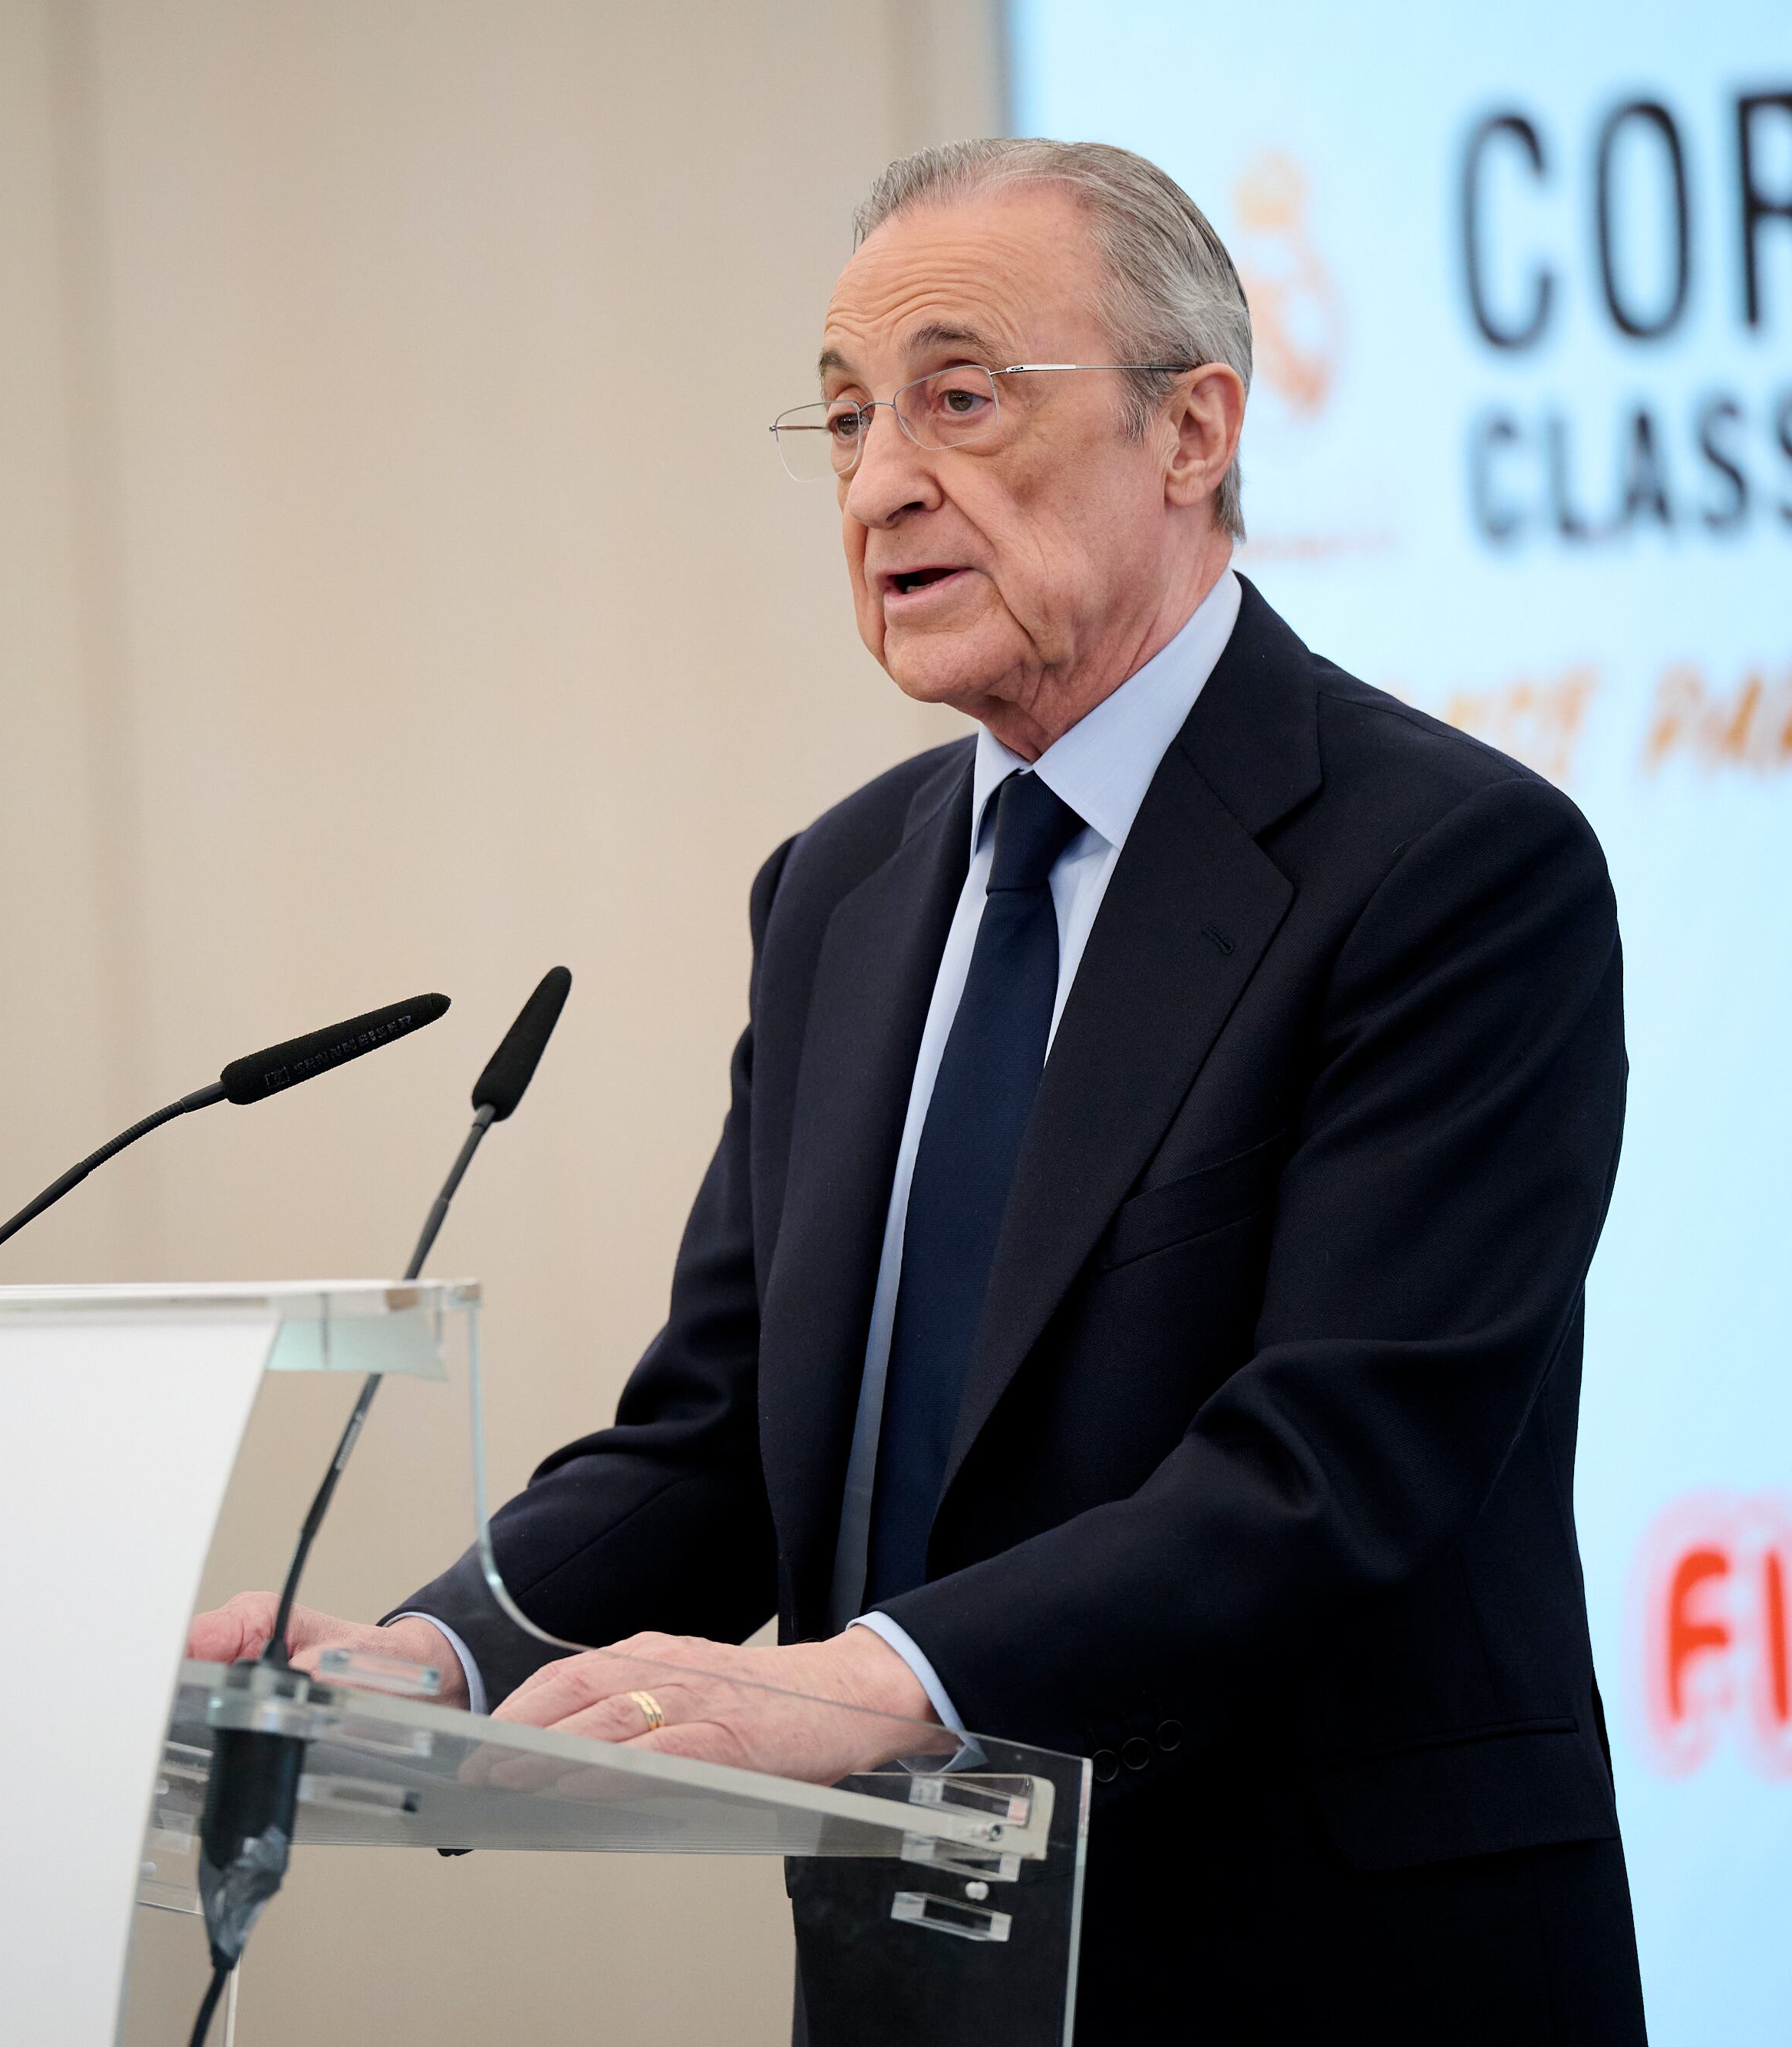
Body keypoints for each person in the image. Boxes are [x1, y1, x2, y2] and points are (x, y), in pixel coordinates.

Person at [193, 137, 1644, 2042]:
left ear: (1189, 429)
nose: (880, 481)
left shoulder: (1449, 865)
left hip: (1322, 1957)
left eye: (959, 398)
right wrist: (440, 1647)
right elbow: (722, 1433)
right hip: (919, 1953)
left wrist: (868, 1678)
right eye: (846, 417)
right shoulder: (839, 890)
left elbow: (1330, 1463)